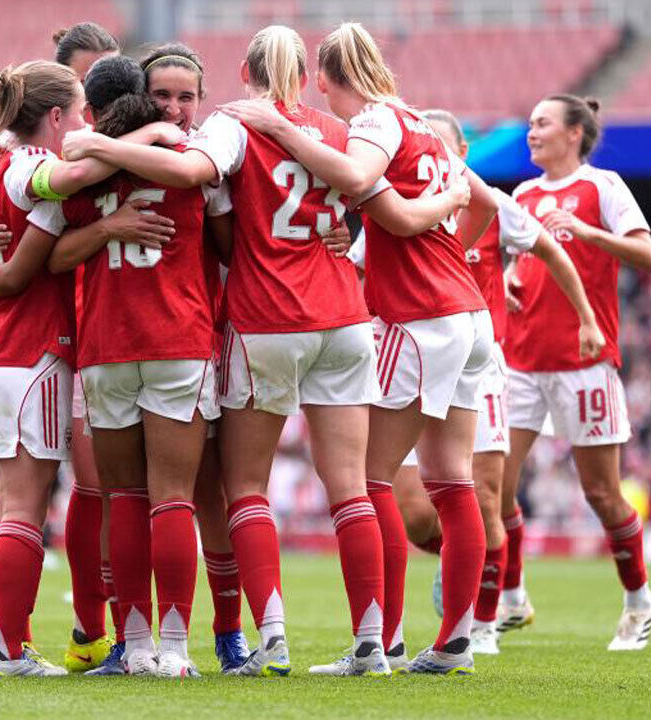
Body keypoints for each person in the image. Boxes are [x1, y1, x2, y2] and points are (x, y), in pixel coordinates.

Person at [64, 24, 469, 677]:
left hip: (267, 318)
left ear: (244, 74)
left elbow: (203, 187)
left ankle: (271, 640)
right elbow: (367, 194)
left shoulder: (233, 123)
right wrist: (343, 229)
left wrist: (97, 142)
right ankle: (373, 643)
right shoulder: (341, 130)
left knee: (245, 488)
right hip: (342, 318)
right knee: (355, 489)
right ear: (307, 78)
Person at [218, 22, 502, 676]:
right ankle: (456, 638)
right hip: (468, 314)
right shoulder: (422, 122)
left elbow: (375, 193)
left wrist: (284, 129)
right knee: (451, 479)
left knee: (367, 482)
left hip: (419, 317)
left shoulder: (375, 123)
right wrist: (443, 245)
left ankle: (384, 640)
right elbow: (479, 201)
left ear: (323, 78)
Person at [0, 60, 180, 677]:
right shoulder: (32, 171)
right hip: (25, 351)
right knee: (24, 510)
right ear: (54, 117)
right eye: (78, 114)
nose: (85, 126)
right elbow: (78, 173)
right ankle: (12, 653)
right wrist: (151, 136)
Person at [30, 54, 225, 676]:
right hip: (176, 340)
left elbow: (57, 257)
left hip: (107, 348)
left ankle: (134, 645)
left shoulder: (85, 174)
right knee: (172, 500)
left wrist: (107, 221)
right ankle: (174, 649)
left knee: (124, 499)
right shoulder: (190, 161)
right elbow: (231, 245)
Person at [389, 108, 605, 655]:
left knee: (483, 494)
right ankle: (469, 567)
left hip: (477, 370)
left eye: (444, 147)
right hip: (414, 362)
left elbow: (550, 249)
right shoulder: (400, 211)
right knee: (415, 515)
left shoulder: (488, 203)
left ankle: (480, 624)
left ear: (461, 153)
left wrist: (585, 317)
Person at [501, 94, 651, 650]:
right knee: (495, 487)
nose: (532, 132)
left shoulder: (604, 187)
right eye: (529, 124)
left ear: (574, 133)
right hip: (521, 359)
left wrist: (589, 233)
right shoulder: (522, 194)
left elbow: (648, 257)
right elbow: (512, 258)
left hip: (584, 362)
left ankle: (640, 600)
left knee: (601, 493)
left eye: (542, 122)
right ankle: (513, 598)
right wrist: (507, 280)